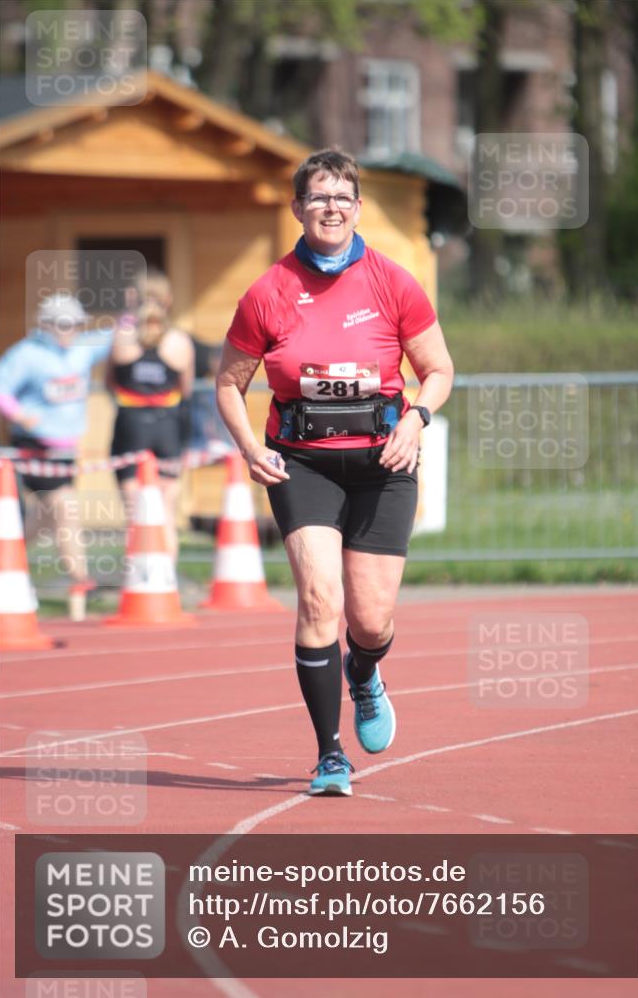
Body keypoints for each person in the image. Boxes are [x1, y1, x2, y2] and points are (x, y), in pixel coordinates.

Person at [216, 148, 453, 797]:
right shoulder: (267, 292)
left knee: (369, 621)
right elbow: (230, 385)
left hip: (384, 463)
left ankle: (365, 674)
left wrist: (415, 421)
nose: (330, 207)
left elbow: (438, 371)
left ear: (356, 208)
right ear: (297, 208)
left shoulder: (392, 281)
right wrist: (246, 447)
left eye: (341, 197)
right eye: (317, 197)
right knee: (320, 601)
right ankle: (329, 755)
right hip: (302, 464)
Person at [0, 292, 112, 595]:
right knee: (65, 506)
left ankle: (8, 553)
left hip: (66, 449)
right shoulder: (25, 354)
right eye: (62, 325)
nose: (69, 331)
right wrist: (19, 414)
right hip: (34, 446)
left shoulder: (82, 349)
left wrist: (135, 313)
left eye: (74, 325)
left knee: (48, 516)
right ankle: (81, 578)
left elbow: (114, 335)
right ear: (45, 325)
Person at [106, 299, 194, 559]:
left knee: (134, 510)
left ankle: (136, 580)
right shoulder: (179, 342)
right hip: (168, 424)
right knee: (166, 507)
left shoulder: (122, 340)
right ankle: (167, 580)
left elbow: (110, 381)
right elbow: (186, 389)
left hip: (131, 424)